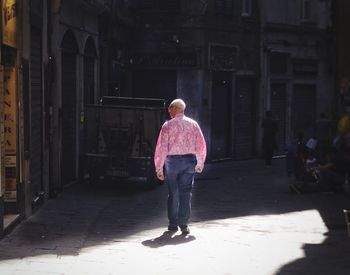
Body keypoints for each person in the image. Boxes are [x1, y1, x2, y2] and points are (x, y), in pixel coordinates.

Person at [154, 99, 207, 235]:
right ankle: (184, 224)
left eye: (170, 107)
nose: (168, 110)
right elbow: (201, 145)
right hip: (189, 161)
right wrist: (200, 163)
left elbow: (161, 148)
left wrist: (159, 168)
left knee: (173, 193)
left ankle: (173, 224)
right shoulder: (193, 124)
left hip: (172, 162)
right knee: (186, 193)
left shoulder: (167, 125)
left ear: (177, 109)